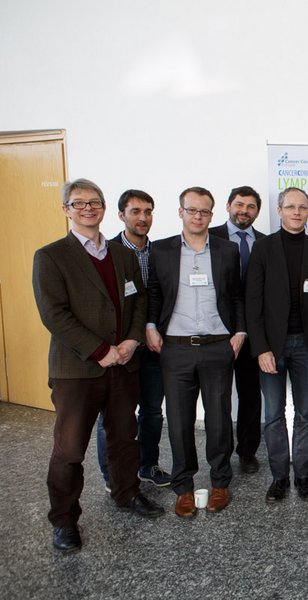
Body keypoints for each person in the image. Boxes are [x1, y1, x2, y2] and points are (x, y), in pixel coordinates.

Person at [33, 178, 164, 553]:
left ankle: (126, 492)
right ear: (66, 210)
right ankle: (64, 520)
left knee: (124, 437)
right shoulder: (51, 256)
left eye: (94, 202)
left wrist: (132, 340)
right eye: (79, 203)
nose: (88, 208)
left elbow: (139, 302)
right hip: (78, 370)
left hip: (123, 363)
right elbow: (54, 314)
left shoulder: (122, 255)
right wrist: (99, 350)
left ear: (105, 209)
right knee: (70, 449)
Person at [146, 187, 245, 518]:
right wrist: (150, 326)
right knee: (178, 422)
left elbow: (236, 295)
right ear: (181, 212)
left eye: (204, 211)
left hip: (217, 346)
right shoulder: (161, 250)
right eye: (192, 210)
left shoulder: (227, 250)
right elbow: (154, 293)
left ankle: (220, 483)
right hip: (176, 348)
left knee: (219, 421)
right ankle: (183, 488)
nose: (198, 216)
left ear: (212, 215)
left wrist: (240, 333)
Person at [246, 187, 308, 503]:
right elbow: (252, 302)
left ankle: (303, 476)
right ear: (280, 210)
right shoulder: (263, 248)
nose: (297, 212)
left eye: (303, 207)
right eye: (291, 206)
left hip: (306, 347)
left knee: (305, 413)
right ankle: (279, 477)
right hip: (271, 346)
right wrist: (260, 348)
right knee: (273, 414)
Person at [94, 190, 171, 490]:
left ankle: (147, 465)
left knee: (152, 411)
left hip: (155, 345)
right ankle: (112, 476)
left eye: (148, 211)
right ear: (120, 215)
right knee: (113, 416)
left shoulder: (161, 252)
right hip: (120, 348)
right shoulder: (107, 252)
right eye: (135, 211)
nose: (143, 217)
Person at [209, 186, 266, 474]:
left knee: (250, 395)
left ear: (258, 211)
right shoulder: (210, 237)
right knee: (217, 397)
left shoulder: (266, 243)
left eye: (251, 206)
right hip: (217, 330)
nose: (244, 210)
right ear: (228, 206)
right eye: (239, 204)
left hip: (254, 331)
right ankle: (220, 455)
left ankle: (247, 451)